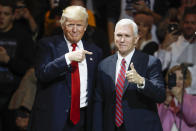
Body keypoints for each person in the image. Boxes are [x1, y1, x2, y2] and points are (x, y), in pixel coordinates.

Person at [31, 5, 102, 131]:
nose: (75, 30)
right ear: (63, 25)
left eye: (79, 25)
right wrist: (67, 58)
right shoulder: (47, 45)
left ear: (85, 27)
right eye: (70, 25)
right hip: (53, 118)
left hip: (83, 119)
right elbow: (42, 74)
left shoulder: (95, 52)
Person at [93, 18, 165, 131]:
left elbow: (160, 95)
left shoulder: (150, 62)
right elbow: (98, 101)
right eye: (119, 35)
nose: (122, 40)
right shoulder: (103, 65)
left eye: (127, 36)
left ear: (136, 39)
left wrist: (142, 82)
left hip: (142, 127)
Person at [0, 0, 36, 130]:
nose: (1, 17)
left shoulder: (22, 36)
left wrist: (8, 60)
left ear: (13, 15)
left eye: (6, 14)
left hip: (12, 95)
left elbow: (29, 68)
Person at [154, 6, 196, 94]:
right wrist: (164, 46)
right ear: (182, 24)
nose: (189, 26)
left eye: (193, 23)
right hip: (174, 97)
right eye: (186, 22)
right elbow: (158, 66)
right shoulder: (172, 43)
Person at [158, 65, 196, 131]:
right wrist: (166, 102)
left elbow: (192, 120)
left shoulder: (193, 99)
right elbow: (157, 122)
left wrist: (179, 98)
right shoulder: (162, 99)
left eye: (180, 78)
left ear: (186, 81)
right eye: (174, 78)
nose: (177, 81)